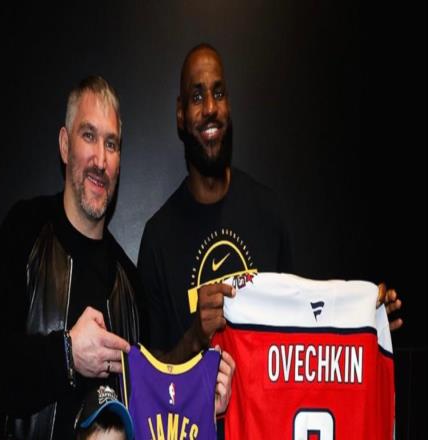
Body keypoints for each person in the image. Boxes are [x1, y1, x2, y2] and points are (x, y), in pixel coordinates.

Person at [137, 43, 402, 432]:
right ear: (180, 114)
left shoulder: (268, 213)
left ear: (229, 106)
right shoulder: (159, 238)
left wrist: (365, 322)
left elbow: (302, 335)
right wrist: (195, 337)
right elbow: (150, 382)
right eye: (196, 96)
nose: (209, 107)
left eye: (218, 93)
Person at [0, 76, 140, 439]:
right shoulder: (24, 232)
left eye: (111, 144)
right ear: (65, 145)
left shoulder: (129, 282)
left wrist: (205, 396)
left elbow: (149, 411)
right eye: (88, 135)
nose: (100, 159)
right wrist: (66, 355)